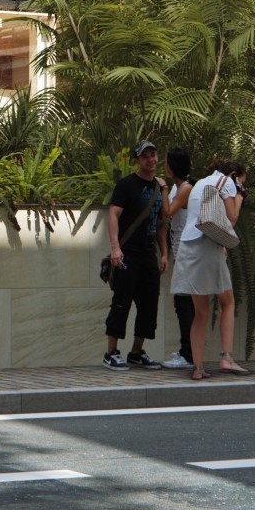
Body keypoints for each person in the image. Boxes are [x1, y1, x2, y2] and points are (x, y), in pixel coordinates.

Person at [177, 159, 249, 379]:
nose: (239, 187)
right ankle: (226, 358)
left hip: (188, 247)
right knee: (227, 302)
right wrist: (239, 195)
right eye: (241, 182)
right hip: (208, 248)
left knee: (201, 312)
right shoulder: (227, 182)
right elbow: (231, 217)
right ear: (235, 175)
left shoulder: (199, 184)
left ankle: (198, 368)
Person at [103, 141, 167, 369]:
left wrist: (164, 253)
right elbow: (113, 215)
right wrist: (114, 248)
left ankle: (136, 352)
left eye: (153, 154)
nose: (151, 159)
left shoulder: (160, 188)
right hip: (127, 252)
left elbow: (161, 223)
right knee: (121, 302)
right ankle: (111, 352)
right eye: (145, 156)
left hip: (148, 252)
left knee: (149, 304)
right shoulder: (127, 185)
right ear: (137, 160)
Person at [160, 147, 198, 372]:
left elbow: (168, 212)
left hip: (188, 252)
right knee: (184, 302)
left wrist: (163, 188)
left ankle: (188, 353)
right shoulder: (179, 187)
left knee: (183, 302)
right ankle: (189, 351)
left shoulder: (184, 188)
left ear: (171, 166)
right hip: (182, 250)